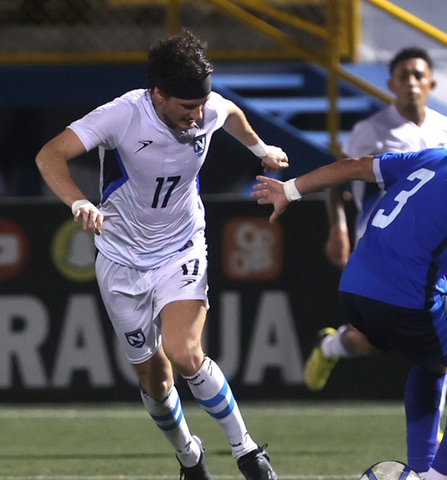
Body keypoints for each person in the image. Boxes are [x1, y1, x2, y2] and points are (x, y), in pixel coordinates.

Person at [35, 30, 284, 480]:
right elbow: (50, 155)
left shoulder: (206, 109)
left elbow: (232, 115)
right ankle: (189, 455)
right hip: (121, 259)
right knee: (154, 379)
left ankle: (247, 451)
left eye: (202, 105)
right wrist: (78, 201)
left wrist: (261, 149)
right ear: (158, 95)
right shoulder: (123, 115)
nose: (197, 116)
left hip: (181, 246)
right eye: (187, 108)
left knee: (185, 353)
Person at [252, 126, 447, 479]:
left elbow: (355, 166)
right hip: (406, 296)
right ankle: (438, 478)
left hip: (354, 288)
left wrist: (290, 189)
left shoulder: (441, 156)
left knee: (433, 360)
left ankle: (423, 469)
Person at [307, 46, 447, 392]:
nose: (411, 82)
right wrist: (339, 228)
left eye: (418, 75)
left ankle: (428, 440)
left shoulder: (446, 130)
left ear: (431, 83)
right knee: (370, 338)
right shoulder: (372, 129)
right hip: (383, 240)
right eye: (404, 75)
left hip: (434, 245)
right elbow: (337, 179)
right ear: (391, 83)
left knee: (439, 333)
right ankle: (331, 347)